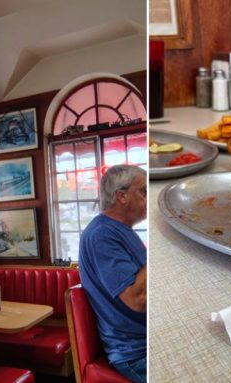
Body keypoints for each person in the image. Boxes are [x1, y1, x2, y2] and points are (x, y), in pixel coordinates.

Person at [79, 164, 147, 383]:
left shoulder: (120, 230)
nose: (148, 197)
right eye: (144, 191)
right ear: (122, 196)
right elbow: (136, 300)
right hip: (135, 352)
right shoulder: (102, 234)